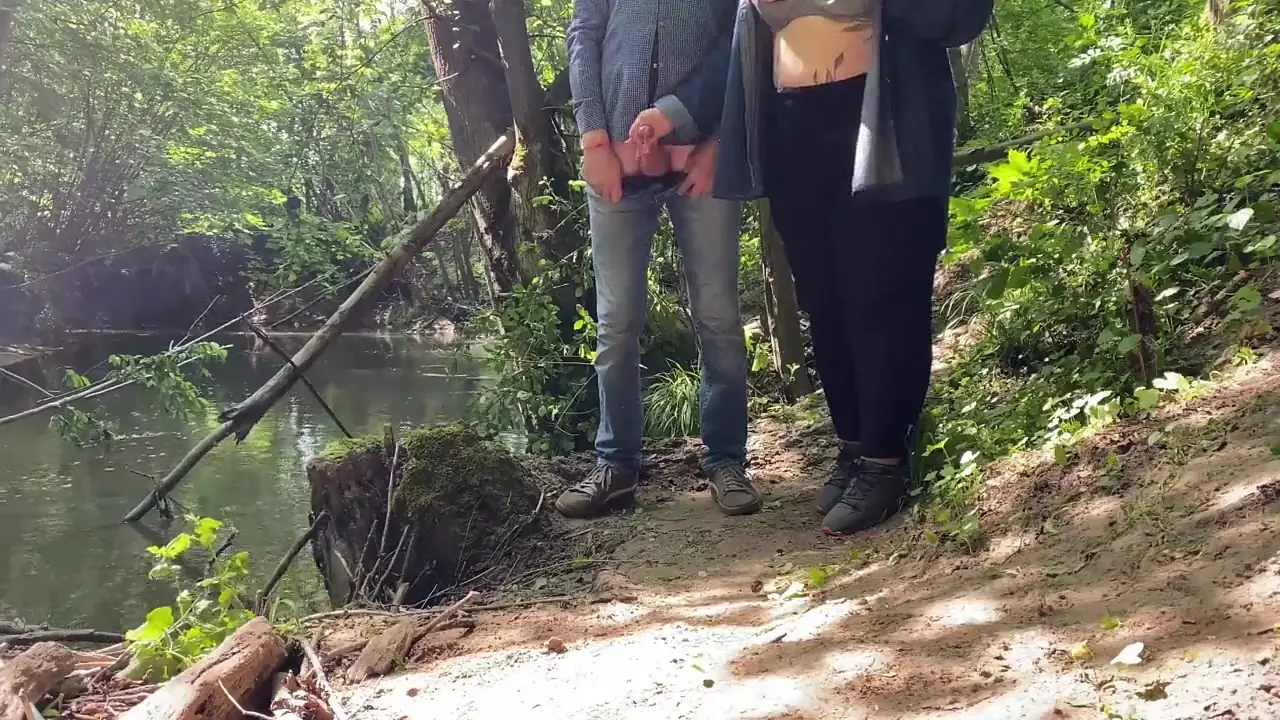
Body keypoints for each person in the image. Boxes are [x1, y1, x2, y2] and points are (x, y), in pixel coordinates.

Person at [705, 0, 993, 535]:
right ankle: (855, 446)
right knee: (823, 295)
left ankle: (885, 459)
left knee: (881, 288)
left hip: (883, 112)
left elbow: (959, 17)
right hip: (789, 120)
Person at [554, 0, 760, 520]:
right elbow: (584, 37)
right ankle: (616, 466)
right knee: (616, 322)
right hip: (615, 165)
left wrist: (720, 142)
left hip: (701, 160)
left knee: (718, 316)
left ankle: (727, 459)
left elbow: (739, 43)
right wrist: (593, 140)